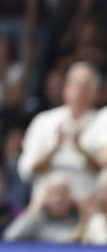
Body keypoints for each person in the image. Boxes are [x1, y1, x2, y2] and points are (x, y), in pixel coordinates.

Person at [17, 62, 106, 201]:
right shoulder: (43, 121)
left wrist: (81, 149)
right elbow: (26, 171)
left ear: (96, 93)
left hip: (86, 205)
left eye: (86, 86)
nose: (80, 91)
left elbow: (103, 170)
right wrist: (54, 149)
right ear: (65, 87)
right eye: (76, 85)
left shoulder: (102, 120)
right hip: (44, 205)